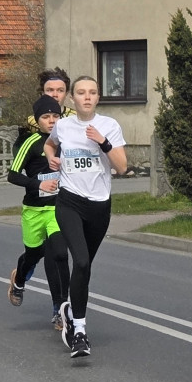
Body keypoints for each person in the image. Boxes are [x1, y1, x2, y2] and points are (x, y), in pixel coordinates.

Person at [44, 76, 127, 358]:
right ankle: (79, 330)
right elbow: (50, 144)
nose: (87, 97)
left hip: (99, 206)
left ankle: (69, 309)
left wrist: (102, 142)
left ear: (98, 97)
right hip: (69, 202)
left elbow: (122, 167)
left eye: (92, 92)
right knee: (78, 260)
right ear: (72, 98)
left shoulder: (109, 126)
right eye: (81, 92)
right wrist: (50, 158)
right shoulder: (63, 125)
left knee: (84, 268)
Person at [7, 95, 70, 329]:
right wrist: (38, 184)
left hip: (59, 209)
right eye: (46, 117)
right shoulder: (31, 142)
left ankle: (60, 310)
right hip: (34, 210)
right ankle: (19, 279)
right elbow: (12, 175)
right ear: (37, 120)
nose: (52, 121)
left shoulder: (67, 141)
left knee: (59, 255)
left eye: (56, 116)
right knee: (33, 255)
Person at [25, 68, 75, 133]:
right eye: (50, 90)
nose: (55, 95)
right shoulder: (32, 121)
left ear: (66, 94)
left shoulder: (75, 117)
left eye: (60, 90)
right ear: (43, 93)